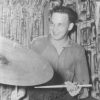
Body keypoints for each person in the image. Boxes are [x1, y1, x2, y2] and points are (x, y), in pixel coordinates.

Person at [29, 6, 97, 100]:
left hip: (65, 96)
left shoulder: (78, 50)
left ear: (70, 26)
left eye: (60, 25)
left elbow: (84, 87)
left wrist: (77, 90)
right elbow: (26, 75)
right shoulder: (37, 44)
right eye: (52, 23)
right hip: (39, 96)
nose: (54, 29)